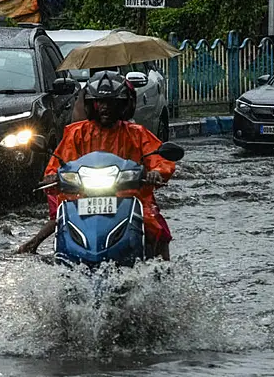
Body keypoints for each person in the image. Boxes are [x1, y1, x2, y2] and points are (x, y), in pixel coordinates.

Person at [17, 70, 175, 260]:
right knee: (61, 218)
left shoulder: (137, 133)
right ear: (91, 105)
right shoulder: (76, 134)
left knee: (155, 225)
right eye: (100, 102)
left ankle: (164, 269)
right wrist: (52, 176)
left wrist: (155, 173)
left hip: (129, 196)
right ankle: (44, 250)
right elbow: (57, 163)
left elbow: (160, 159)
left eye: (111, 103)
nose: (105, 107)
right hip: (82, 195)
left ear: (123, 105)